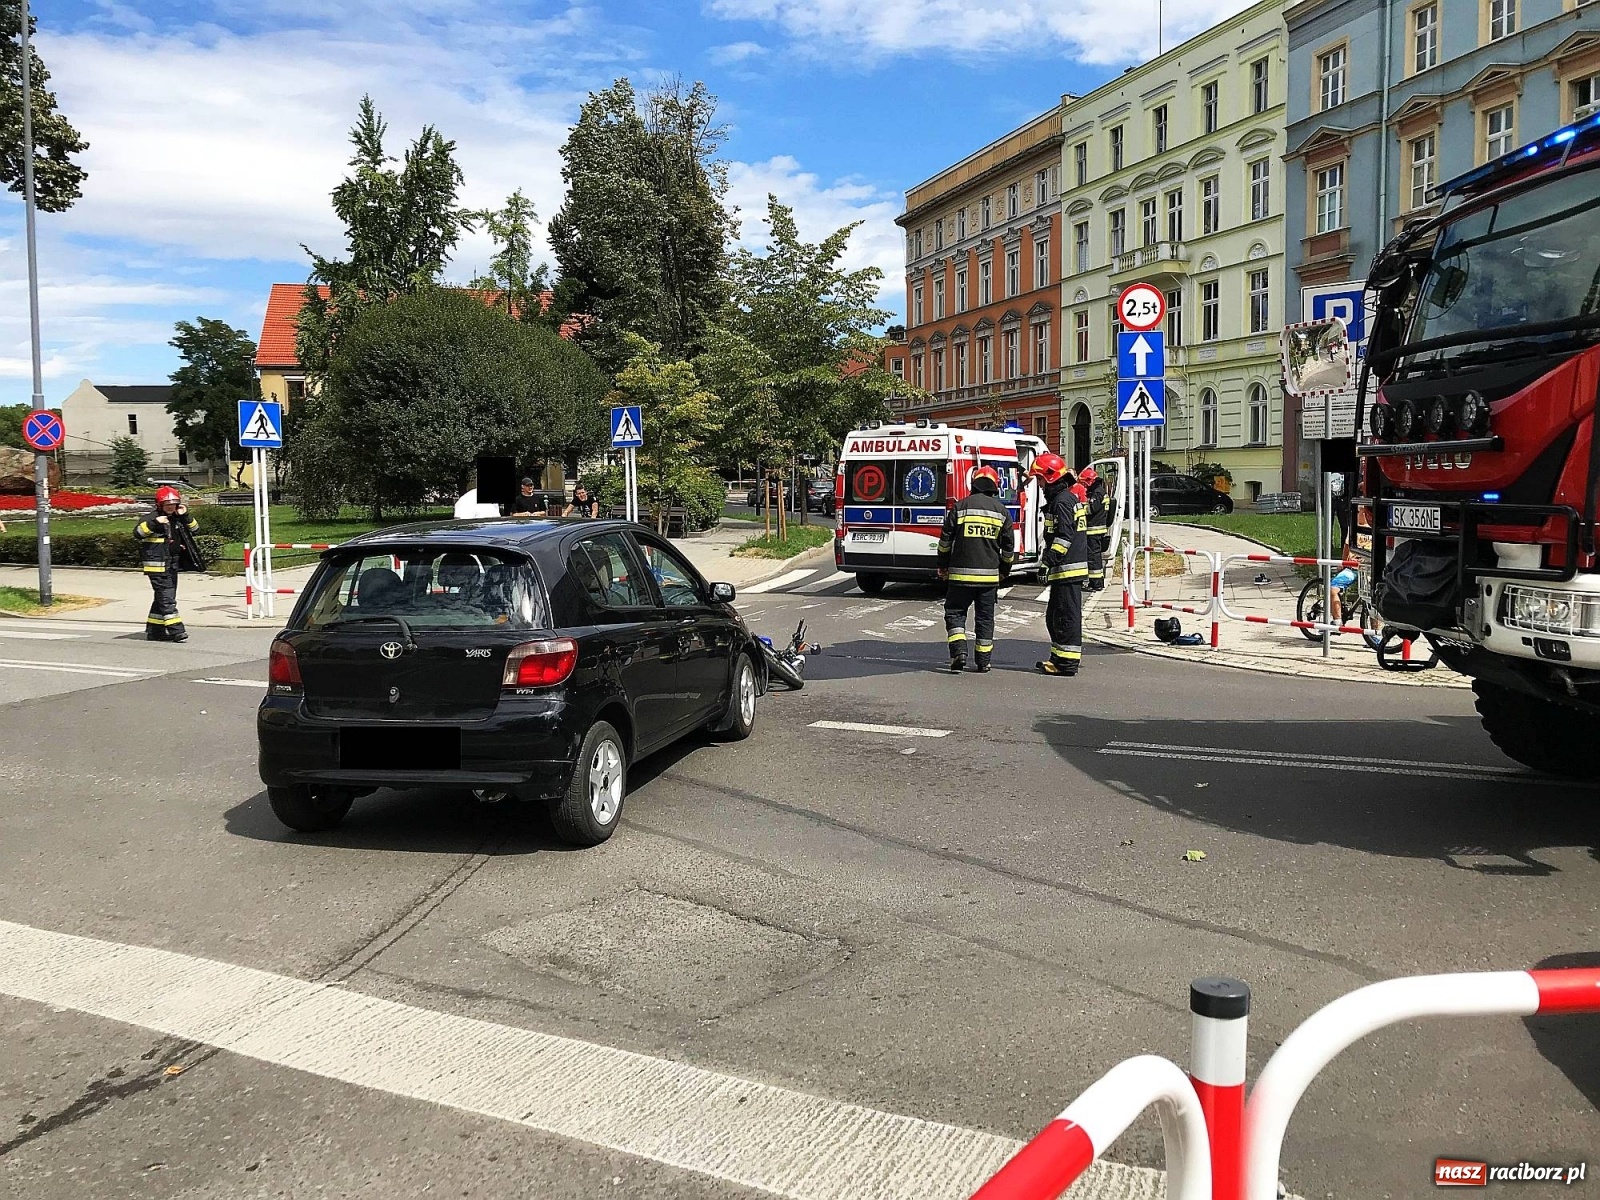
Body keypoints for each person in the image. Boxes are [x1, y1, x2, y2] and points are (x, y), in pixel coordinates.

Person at [936, 465, 1014, 673]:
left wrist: (942, 566)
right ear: (994, 487)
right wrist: (1004, 570)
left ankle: (959, 652)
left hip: (960, 577)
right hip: (989, 579)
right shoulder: (1001, 512)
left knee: (955, 613)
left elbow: (944, 542)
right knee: (985, 618)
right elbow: (1008, 548)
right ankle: (984, 661)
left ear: (974, 484)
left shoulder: (960, 507)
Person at [1028, 452, 1088, 677]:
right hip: (1067, 569)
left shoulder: (1062, 502)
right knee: (1056, 616)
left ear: (1051, 478)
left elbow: (1064, 537)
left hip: (1067, 570)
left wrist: (1047, 563)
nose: (1040, 485)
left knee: (1064, 617)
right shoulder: (1065, 498)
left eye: (1041, 479)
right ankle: (1059, 658)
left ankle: (1067, 663)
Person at [134, 486, 199, 642]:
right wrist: (154, 524)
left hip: (172, 563)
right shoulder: (151, 518)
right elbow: (138, 533)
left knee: (162, 597)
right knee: (167, 598)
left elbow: (196, 529)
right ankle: (177, 630)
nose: (171, 507)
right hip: (157, 565)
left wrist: (186, 516)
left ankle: (155, 631)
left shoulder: (177, 517)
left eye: (174, 504)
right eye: (167, 504)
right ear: (160, 504)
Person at [1079, 466, 1110, 592]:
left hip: (1094, 530)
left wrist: (1079, 507)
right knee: (1094, 556)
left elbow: (1091, 509)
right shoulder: (1099, 491)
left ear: (1090, 481)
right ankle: (1096, 582)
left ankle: (1096, 583)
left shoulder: (1097, 493)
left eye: (1085, 483)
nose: (1085, 486)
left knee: (1093, 557)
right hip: (1096, 529)